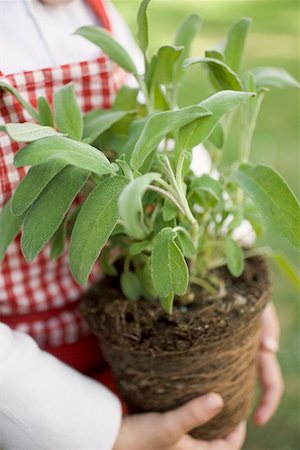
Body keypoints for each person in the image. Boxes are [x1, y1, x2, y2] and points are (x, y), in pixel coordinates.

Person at [0, 0, 284, 448]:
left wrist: (237, 269)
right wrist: (102, 433)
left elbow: (161, 131)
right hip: (35, 393)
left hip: (138, 342)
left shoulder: (94, 12)